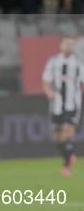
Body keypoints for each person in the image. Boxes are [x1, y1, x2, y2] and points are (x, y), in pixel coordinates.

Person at [42, 35, 84, 176]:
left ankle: (67, 165)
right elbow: (46, 82)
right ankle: (69, 157)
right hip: (57, 104)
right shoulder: (53, 62)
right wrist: (49, 92)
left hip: (73, 104)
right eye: (66, 44)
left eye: (71, 44)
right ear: (60, 46)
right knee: (57, 137)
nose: (69, 47)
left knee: (67, 129)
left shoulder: (78, 65)